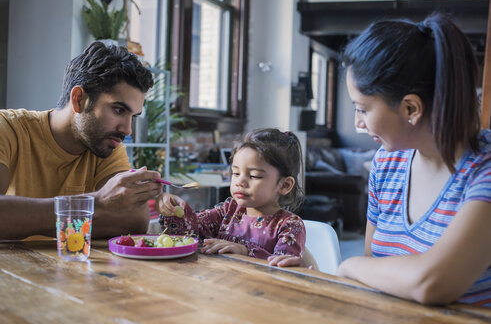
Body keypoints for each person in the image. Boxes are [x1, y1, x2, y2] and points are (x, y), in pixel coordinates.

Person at [336, 12, 491, 307]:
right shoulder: (386, 164)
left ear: (410, 109)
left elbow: (431, 282)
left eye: (363, 109)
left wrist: (348, 265)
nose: (358, 123)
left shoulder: (484, 171)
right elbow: (376, 269)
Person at [0, 41, 163, 240]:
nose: (127, 130)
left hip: (75, 269)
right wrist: (96, 204)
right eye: (118, 110)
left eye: (133, 116)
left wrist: (21, 222)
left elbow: (134, 220)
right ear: (79, 98)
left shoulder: (106, 145)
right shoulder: (8, 128)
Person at [158, 128, 306, 267]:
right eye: (235, 173)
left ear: (285, 185)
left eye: (254, 175)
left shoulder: (290, 225)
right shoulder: (228, 211)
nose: (240, 182)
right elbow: (190, 232)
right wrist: (173, 208)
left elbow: (285, 269)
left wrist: (245, 252)